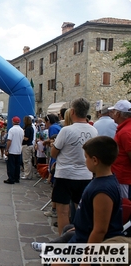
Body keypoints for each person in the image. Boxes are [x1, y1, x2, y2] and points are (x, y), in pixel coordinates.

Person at [32, 136, 123, 250]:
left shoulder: (102, 191)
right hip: (83, 233)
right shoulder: (101, 182)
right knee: (67, 231)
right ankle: (52, 247)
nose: (85, 161)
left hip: (91, 243)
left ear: (94, 160)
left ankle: (55, 251)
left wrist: (87, 259)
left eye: (86, 158)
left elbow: (100, 230)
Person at [50, 98, 98, 235]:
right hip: (85, 174)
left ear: (73, 112)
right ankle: (80, 238)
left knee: (63, 212)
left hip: (65, 174)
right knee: (81, 210)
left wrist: (54, 146)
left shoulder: (66, 130)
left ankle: (64, 242)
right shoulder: (94, 131)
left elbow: (54, 152)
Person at [109, 100, 131, 199]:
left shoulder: (125, 132)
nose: (112, 114)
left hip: (124, 177)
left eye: (113, 111)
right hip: (123, 176)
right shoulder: (125, 129)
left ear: (118, 114)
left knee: (124, 207)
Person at [3, 116, 24, 184]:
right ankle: (16, 178)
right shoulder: (21, 130)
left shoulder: (11, 130)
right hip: (18, 150)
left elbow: (9, 140)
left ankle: (11, 178)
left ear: (13, 122)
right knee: (17, 165)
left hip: (12, 150)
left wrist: (7, 149)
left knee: (11, 165)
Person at [21, 116, 35, 180]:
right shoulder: (31, 128)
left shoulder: (28, 129)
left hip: (26, 145)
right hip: (30, 145)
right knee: (29, 160)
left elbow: (26, 138)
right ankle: (29, 174)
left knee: (26, 160)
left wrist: (21, 136)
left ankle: (27, 174)